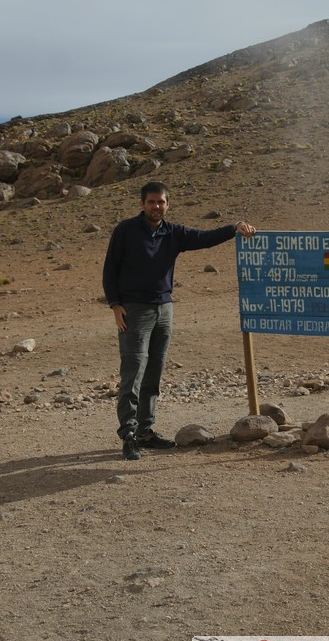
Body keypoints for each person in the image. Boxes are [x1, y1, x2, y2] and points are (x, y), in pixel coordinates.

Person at [102, 180, 256, 460]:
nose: (156, 206)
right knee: (133, 372)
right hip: (134, 311)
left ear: (167, 205)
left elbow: (204, 237)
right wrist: (115, 305)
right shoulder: (125, 231)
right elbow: (109, 269)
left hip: (164, 310)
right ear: (142, 204)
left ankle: (146, 432)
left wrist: (234, 228)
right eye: (151, 202)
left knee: (154, 373)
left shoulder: (173, 233)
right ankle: (128, 435)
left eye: (161, 202)